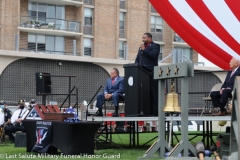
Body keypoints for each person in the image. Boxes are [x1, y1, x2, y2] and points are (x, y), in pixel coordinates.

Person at [135, 33, 160, 116]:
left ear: (149, 38)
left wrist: (144, 50)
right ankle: (146, 111)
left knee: (153, 93)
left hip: (152, 72)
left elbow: (153, 55)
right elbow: (138, 59)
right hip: (142, 73)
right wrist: (135, 67)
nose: (143, 39)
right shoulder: (141, 48)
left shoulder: (155, 46)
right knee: (144, 92)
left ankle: (155, 112)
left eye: (144, 37)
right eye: (142, 37)